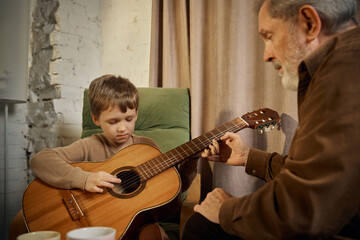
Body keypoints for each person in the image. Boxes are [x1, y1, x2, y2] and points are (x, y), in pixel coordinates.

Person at [182, 0, 360, 239]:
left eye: (270, 36)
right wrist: (248, 157)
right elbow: (314, 176)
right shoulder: (343, 65)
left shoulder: (343, 74)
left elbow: (303, 208)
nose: (266, 55)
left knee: (202, 227)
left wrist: (226, 210)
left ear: (309, 23)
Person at [28, 75, 198, 240]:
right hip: (98, 223)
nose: (123, 128)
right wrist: (84, 178)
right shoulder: (89, 145)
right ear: (96, 119)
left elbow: (174, 188)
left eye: (129, 119)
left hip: (137, 223)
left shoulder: (148, 147)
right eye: (113, 122)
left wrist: (192, 160)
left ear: (136, 114)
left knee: (153, 232)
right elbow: (41, 159)